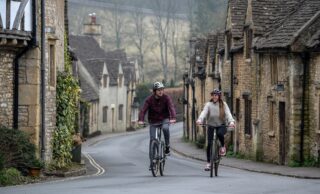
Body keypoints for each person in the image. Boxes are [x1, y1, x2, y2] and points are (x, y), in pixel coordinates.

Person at [138, 82, 176, 168]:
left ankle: (167, 146)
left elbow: (171, 107)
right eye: (159, 90)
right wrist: (141, 120)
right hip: (153, 121)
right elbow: (143, 110)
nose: (161, 91)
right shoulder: (149, 100)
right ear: (154, 91)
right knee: (152, 140)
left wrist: (173, 117)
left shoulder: (166, 98)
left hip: (164, 119)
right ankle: (152, 163)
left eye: (162, 89)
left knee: (165, 129)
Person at [196, 89, 235, 171]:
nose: (214, 97)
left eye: (216, 95)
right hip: (211, 125)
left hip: (221, 125)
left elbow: (228, 114)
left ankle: (223, 147)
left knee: (220, 134)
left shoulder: (223, 104)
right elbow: (204, 112)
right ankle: (208, 163)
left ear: (219, 96)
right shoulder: (208, 104)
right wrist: (200, 120)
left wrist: (231, 122)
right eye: (213, 95)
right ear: (212, 96)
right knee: (209, 144)